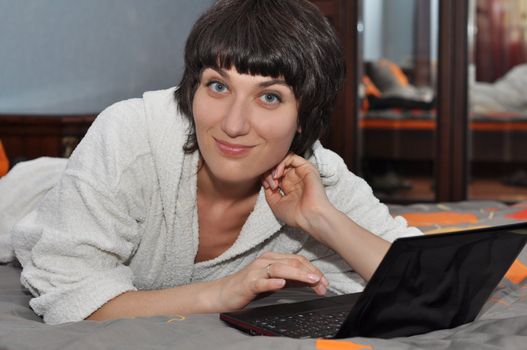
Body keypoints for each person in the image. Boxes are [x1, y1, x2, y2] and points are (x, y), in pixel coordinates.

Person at [8, 0, 421, 325]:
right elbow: (72, 295)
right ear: (192, 89)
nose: (233, 124)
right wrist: (221, 293)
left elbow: (422, 282)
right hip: (28, 193)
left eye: (269, 96)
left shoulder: (317, 176)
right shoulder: (129, 135)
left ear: (304, 118)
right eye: (219, 86)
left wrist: (322, 219)